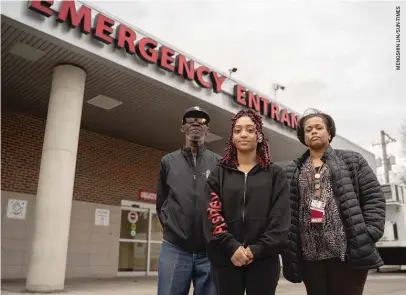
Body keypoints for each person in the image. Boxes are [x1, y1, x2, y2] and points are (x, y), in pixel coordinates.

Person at [281, 109, 386, 295]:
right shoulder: (292, 169)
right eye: (308, 129)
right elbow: (284, 210)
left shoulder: (352, 160)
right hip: (310, 255)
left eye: (319, 127)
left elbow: (374, 198)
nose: (313, 131)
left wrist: (368, 233)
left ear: (329, 133)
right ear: (303, 138)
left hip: (347, 252)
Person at [202, 109, 291, 295]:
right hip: (226, 258)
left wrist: (256, 250)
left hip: (264, 260)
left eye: (250, 130)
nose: (243, 134)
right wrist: (232, 247)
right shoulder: (218, 173)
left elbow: (280, 219)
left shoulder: (275, 174)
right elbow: (212, 214)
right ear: (232, 138)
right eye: (238, 130)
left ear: (259, 136)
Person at [156, 106, 220, 295]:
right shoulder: (168, 161)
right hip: (175, 248)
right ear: (182, 127)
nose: (196, 123)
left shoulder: (218, 162)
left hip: (210, 251)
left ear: (207, 130)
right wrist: (171, 227)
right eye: (190, 120)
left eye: (201, 121)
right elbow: (161, 202)